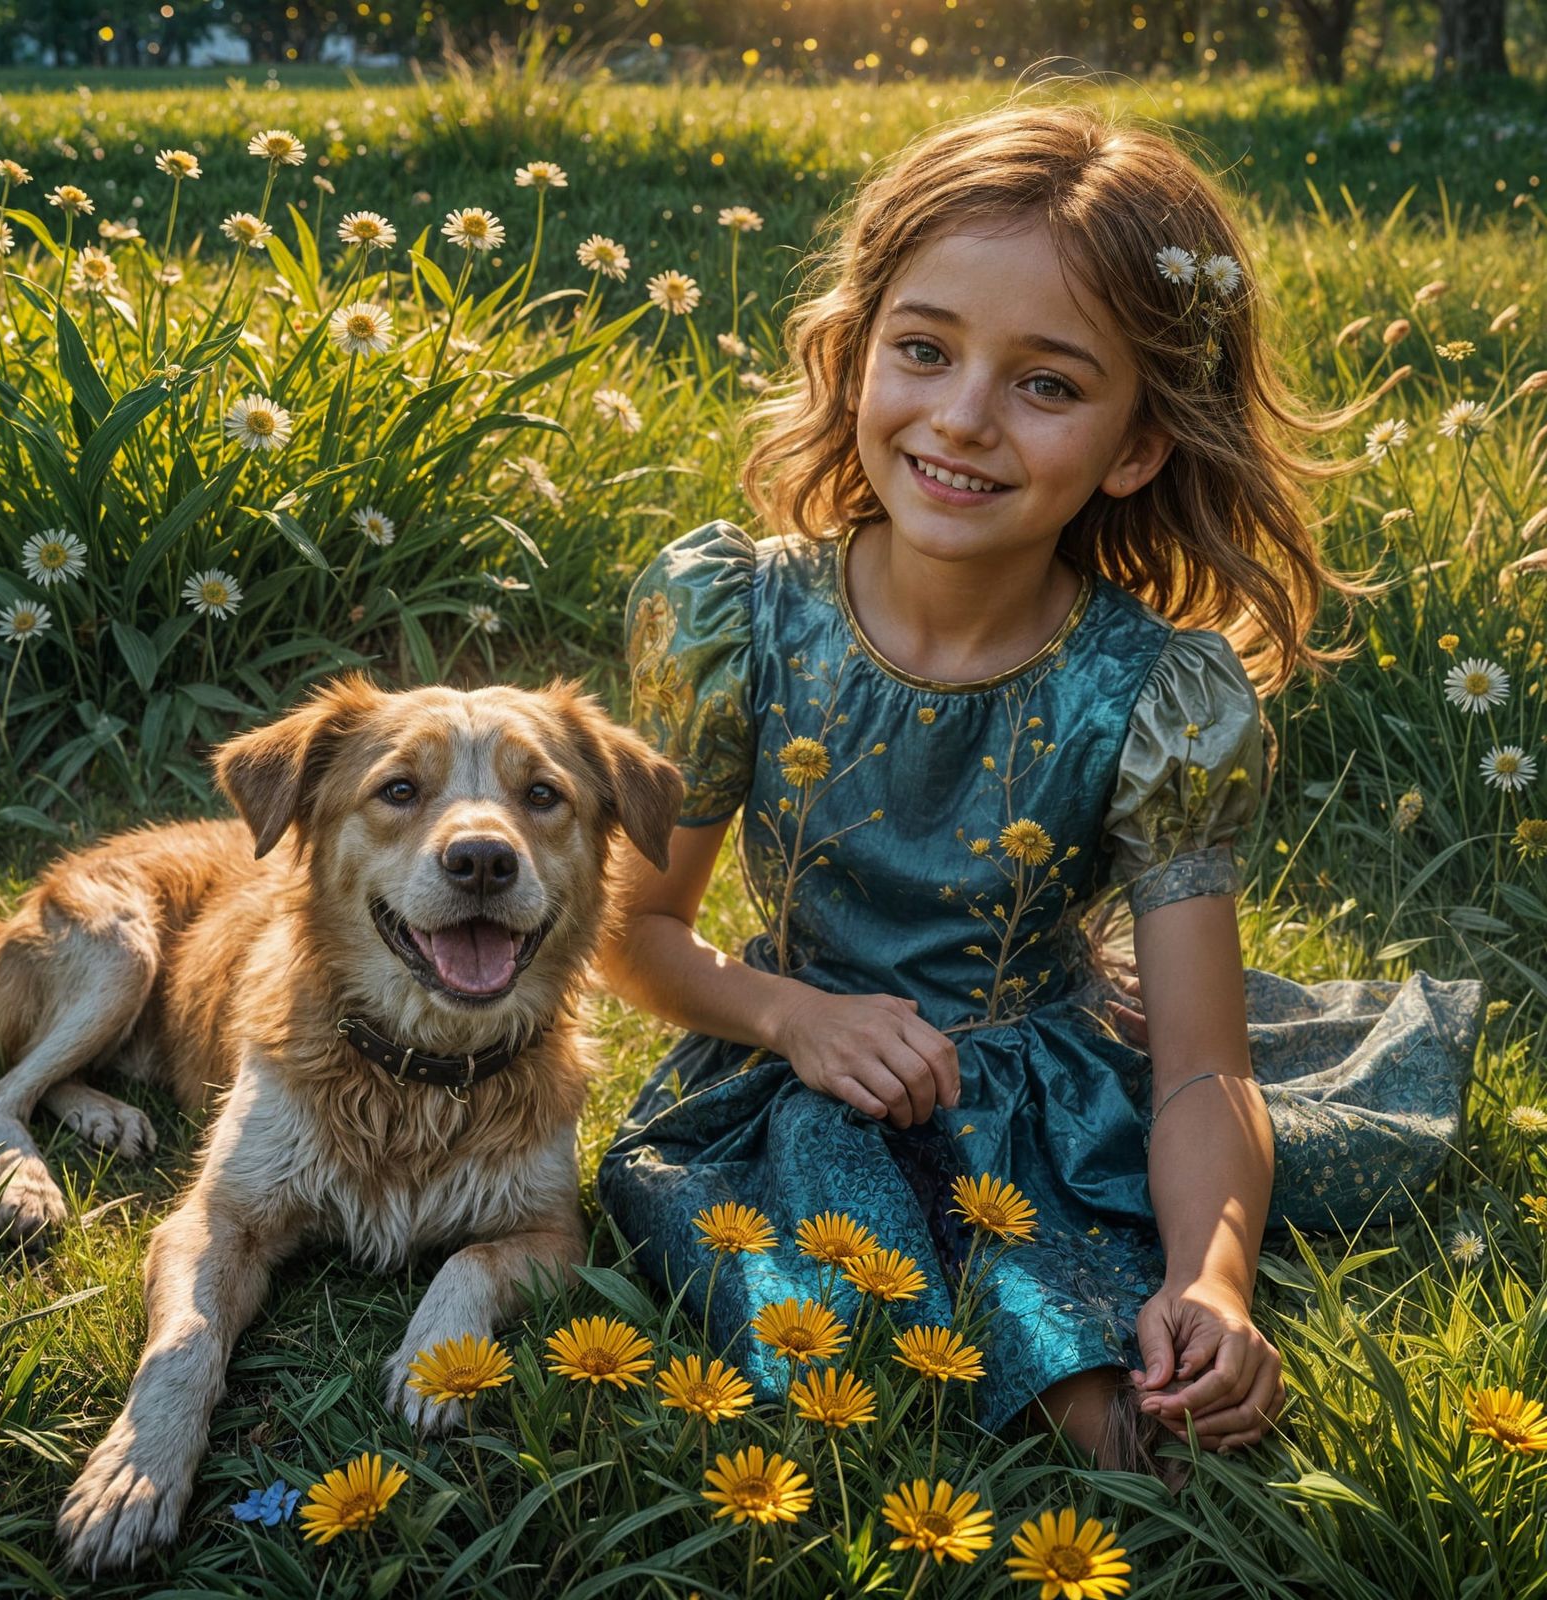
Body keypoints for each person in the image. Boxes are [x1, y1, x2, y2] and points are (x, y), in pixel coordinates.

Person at [595, 98, 1482, 1475]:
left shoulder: (1153, 698)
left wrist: (1213, 1280)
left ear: (1136, 447)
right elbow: (634, 931)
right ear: (856, 352)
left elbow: (1202, 1065)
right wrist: (795, 1017)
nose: (962, 420)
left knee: (1141, 1418)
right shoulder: (739, 622)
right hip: (801, 1071)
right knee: (863, 1337)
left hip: (1047, 1095)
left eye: (1048, 385)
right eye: (924, 350)